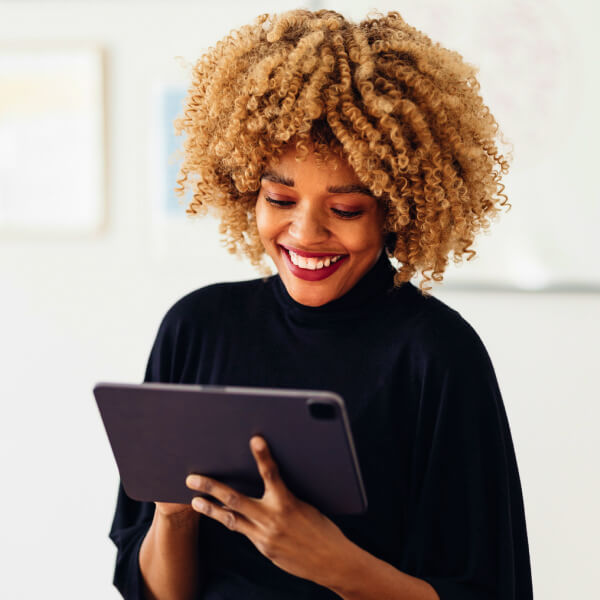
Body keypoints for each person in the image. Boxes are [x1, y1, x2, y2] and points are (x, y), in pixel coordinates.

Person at [109, 9, 533, 600]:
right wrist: (174, 516)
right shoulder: (197, 328)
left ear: (397, 209)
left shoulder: (436, 355)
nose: (304, 233)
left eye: (346, 209)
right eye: (279, 197)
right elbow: (152, 592)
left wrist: (331, 562)